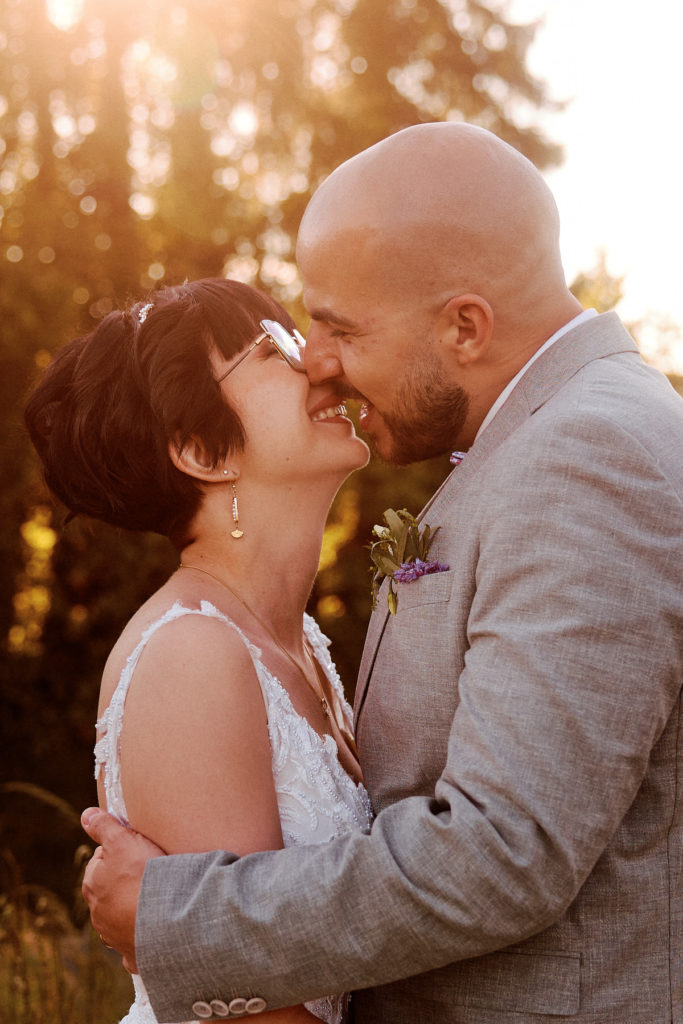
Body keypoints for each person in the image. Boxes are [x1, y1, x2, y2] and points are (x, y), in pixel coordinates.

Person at [81, 124, 683, 1022]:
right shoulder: (545, 442)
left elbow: (504, 851)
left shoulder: (581, 457)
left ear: (464, 327)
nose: (318, 361)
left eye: (337, 327)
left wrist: (182, 917)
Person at [25, 277, 373, 1024]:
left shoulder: (298, 640)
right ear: (201, 451)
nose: (315, 361)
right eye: (269, 349)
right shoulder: (192, 657)